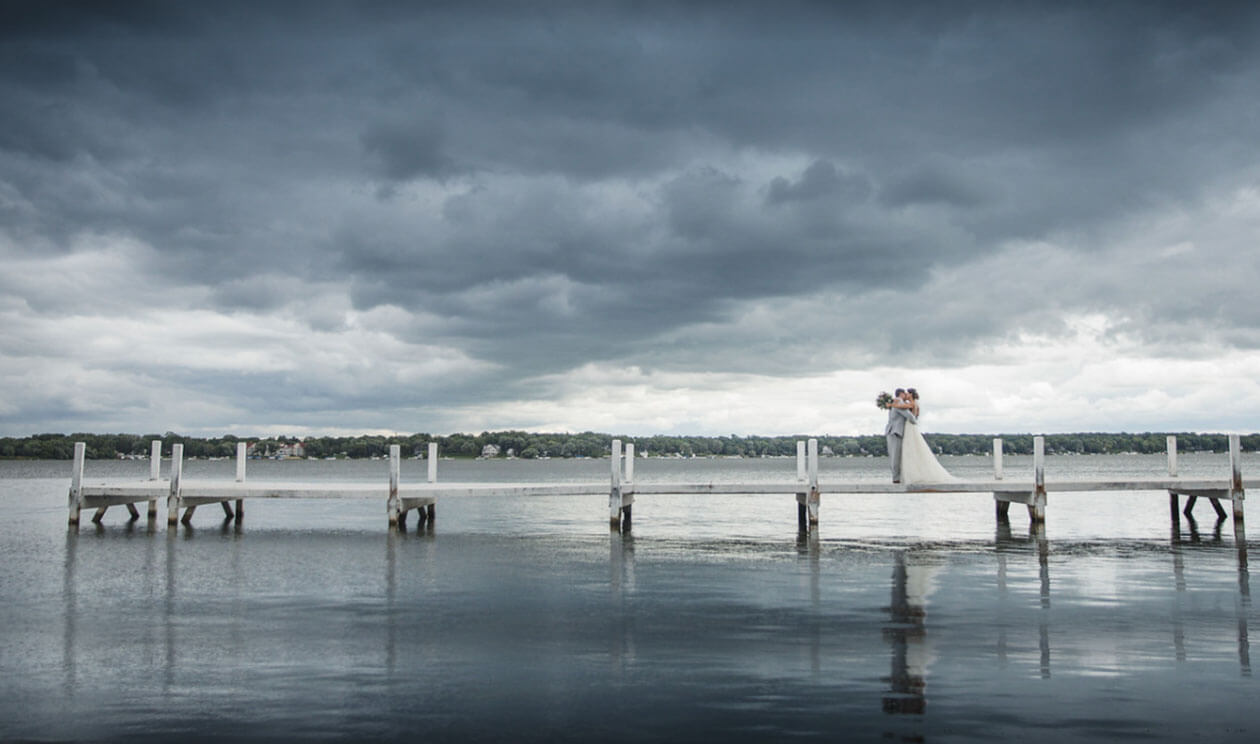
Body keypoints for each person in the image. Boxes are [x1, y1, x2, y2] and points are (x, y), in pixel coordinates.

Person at [898, 388, 956, 484]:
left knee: (910, 447)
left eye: (908, 393)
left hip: (909, 426)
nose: (906, 394)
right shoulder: (915, 403)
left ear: (911, 394)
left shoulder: (912, 404)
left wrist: (890, 404)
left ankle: (912, 475)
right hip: (911, 426)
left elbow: (900, 407)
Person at [885, 389, 917, 484]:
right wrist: (914, 420)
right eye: (904, 393)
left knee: (894, 455)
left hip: (891, 431)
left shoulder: (894, 402)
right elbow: (910, 417)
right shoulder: (899, 402)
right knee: (896, 456)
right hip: (896, 432)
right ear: (901, 394)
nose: (906, 395)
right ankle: (896, 478)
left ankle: (897, 477)